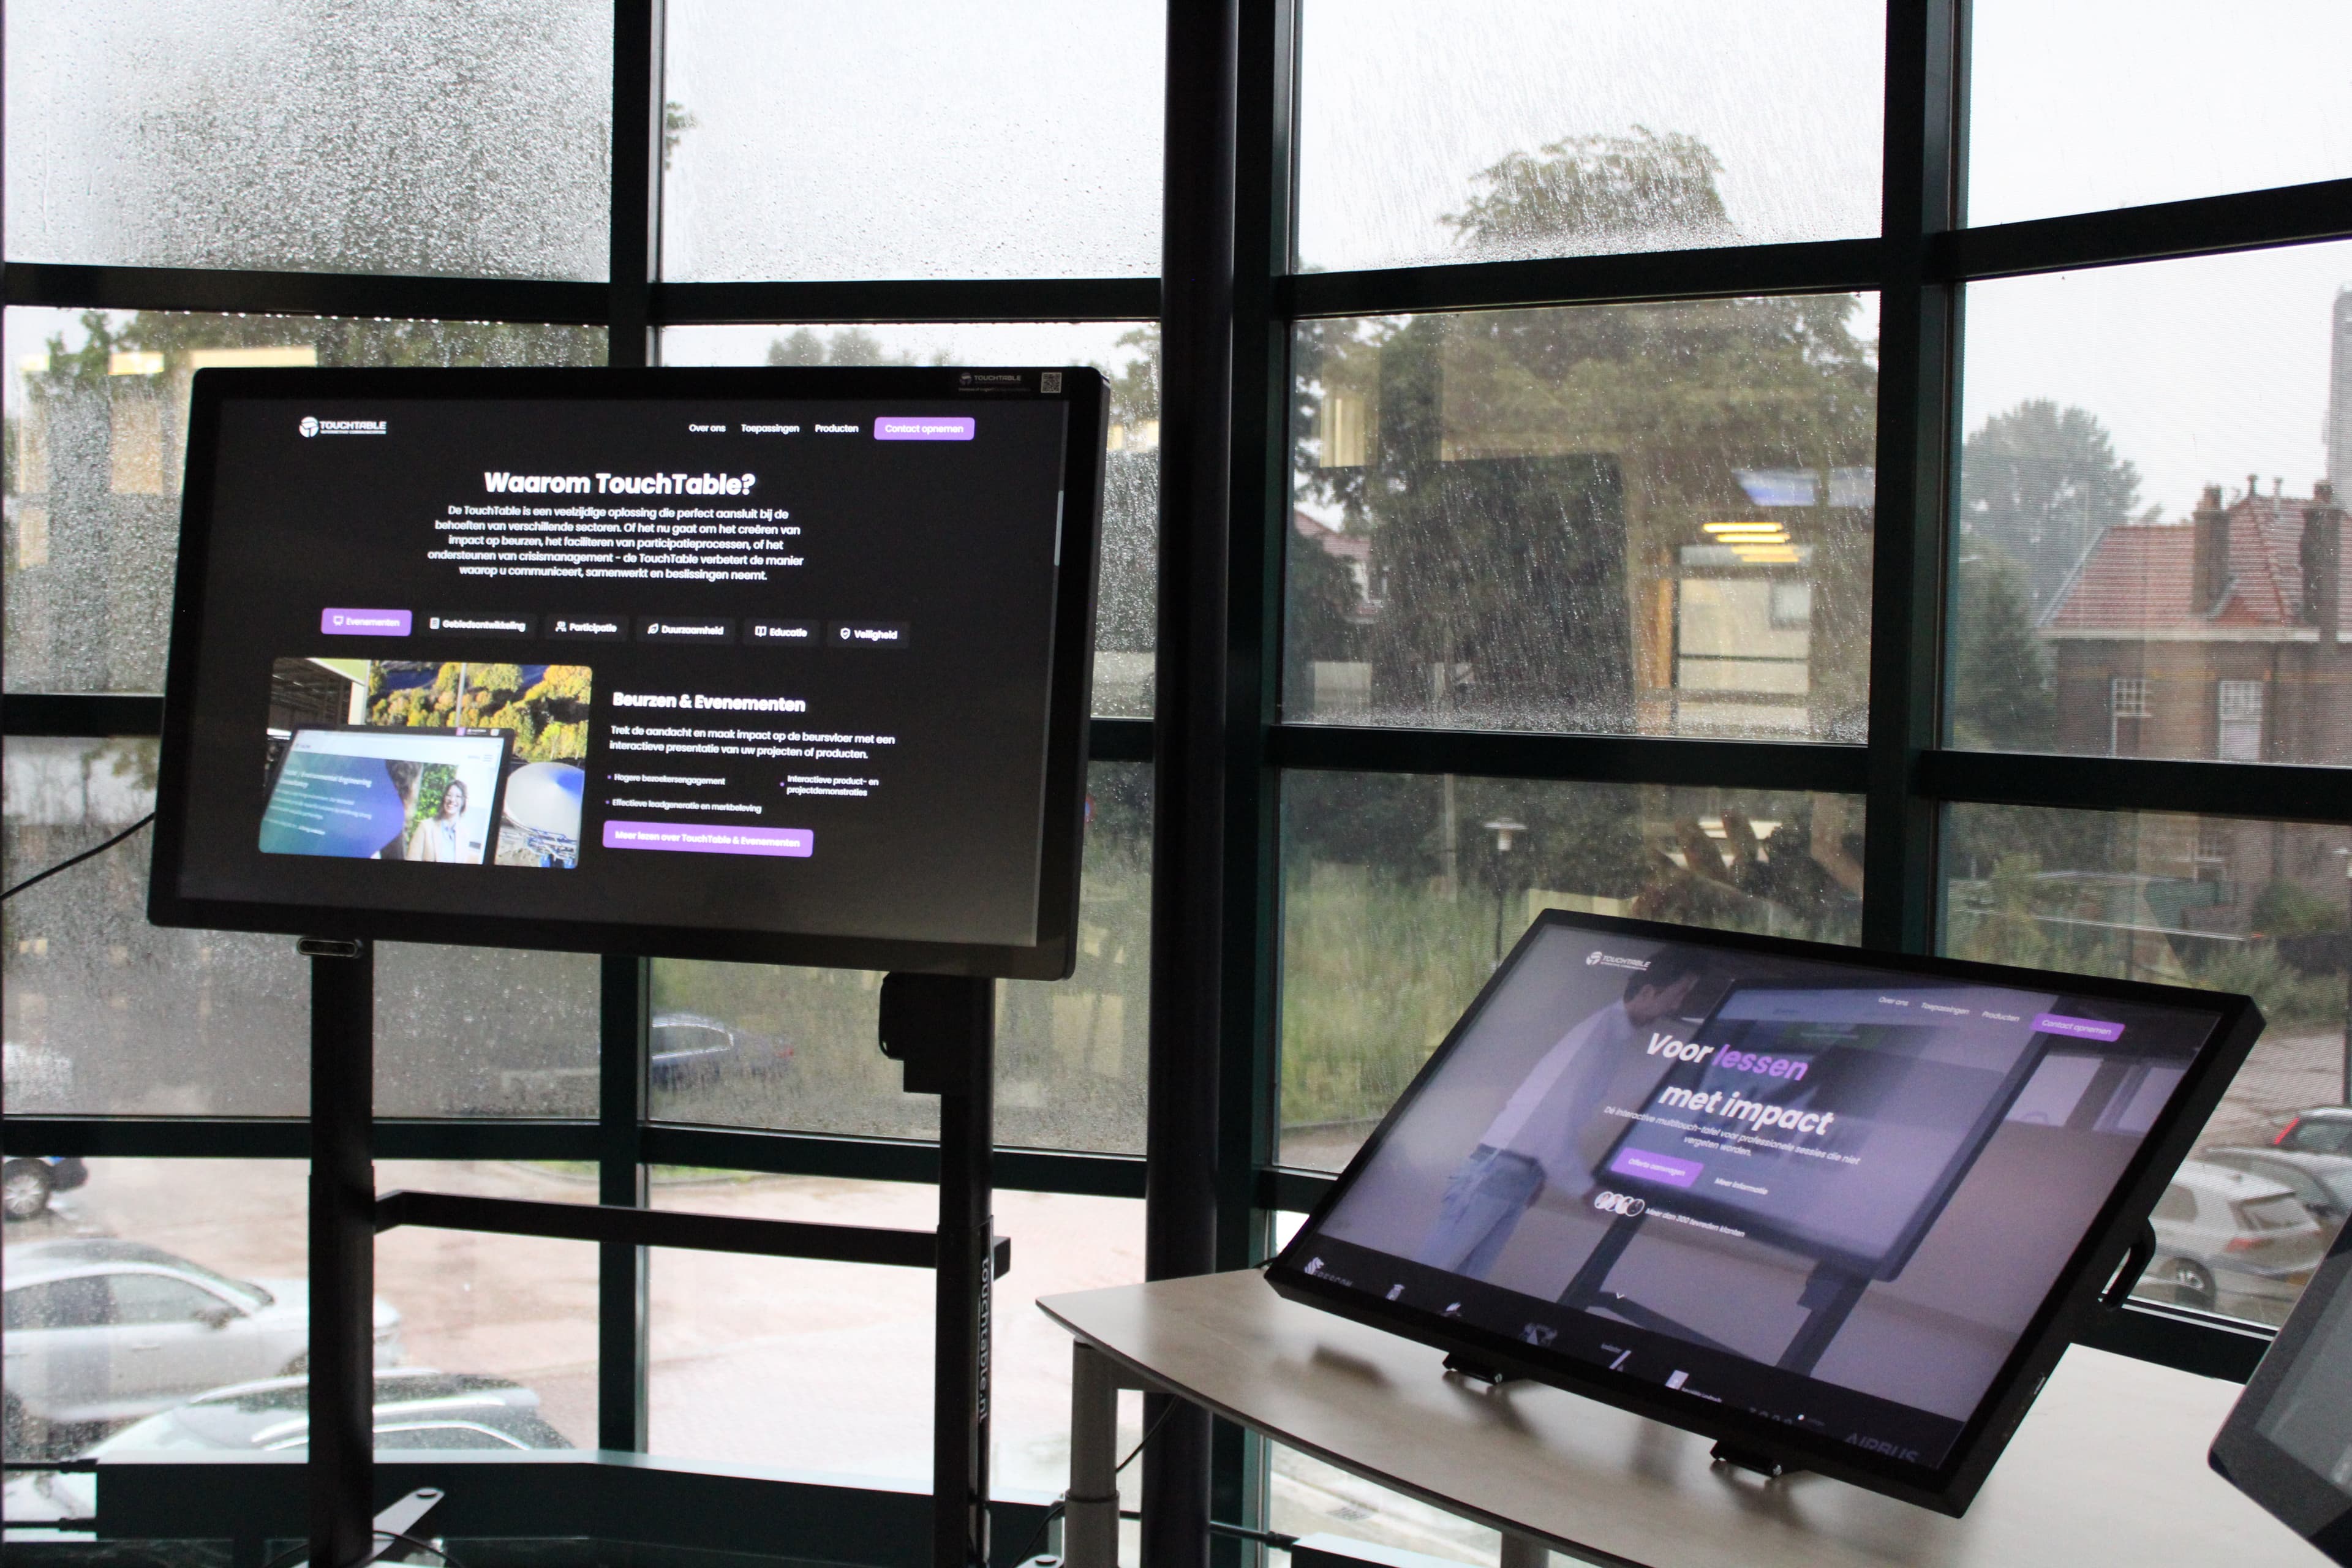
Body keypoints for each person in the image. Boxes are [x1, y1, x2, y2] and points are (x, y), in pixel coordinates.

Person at [1415, 949, 1709, 1280]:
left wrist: (1539, 1174)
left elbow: (1543, 1111)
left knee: (1459, 1280)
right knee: (1434, 1275)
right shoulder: (1599, 1037)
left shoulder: (1609, 1034)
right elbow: (1552, 1119)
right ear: (1648, 992)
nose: (1678, 1006)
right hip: (1500, 1171)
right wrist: (1586, 1190)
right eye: (1680, 993)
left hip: (1513, 1171)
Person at [408, 778, 467, 863]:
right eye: (449, 795)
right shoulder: (425, 827)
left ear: (463, 802)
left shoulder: (464, 835)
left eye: (458, 796)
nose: (452, 800)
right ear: (444, 798)